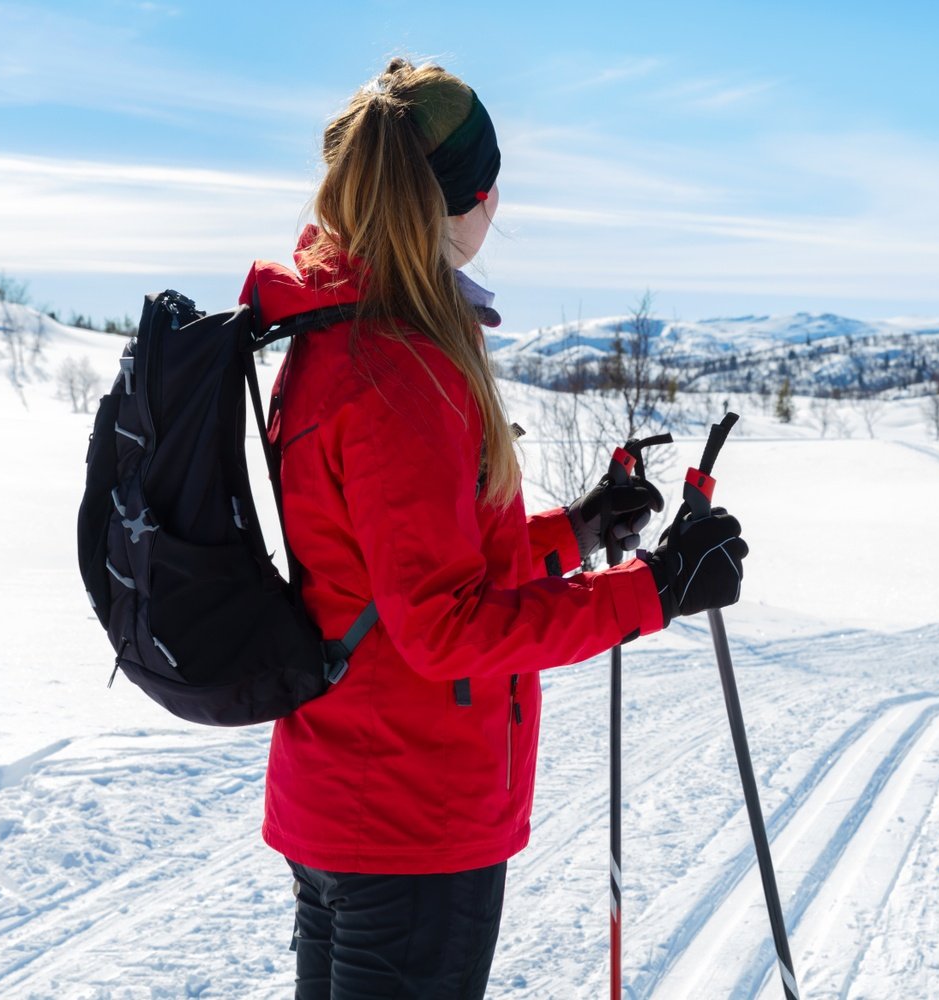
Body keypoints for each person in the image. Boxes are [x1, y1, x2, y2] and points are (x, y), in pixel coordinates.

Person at [240, 58, 750, 999]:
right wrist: (656, 590)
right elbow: (443, 628)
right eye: (490, 183)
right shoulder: (396, 366)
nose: (498, 202)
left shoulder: (342, 331)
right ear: (458, 201)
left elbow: (396, 568)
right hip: (408, 822)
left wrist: (579, 530)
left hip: (353, 795)